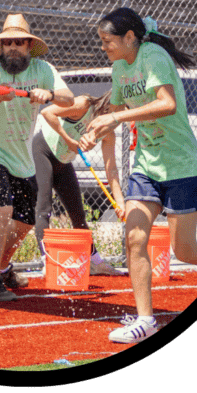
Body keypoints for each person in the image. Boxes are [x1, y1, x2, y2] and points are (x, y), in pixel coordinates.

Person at [80, 8, 197, 344]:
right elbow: (116, 113)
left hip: (181, 166)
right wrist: (95, 131)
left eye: (108, 40)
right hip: (146, 166)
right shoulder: (119, 67)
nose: (103, 47)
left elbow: (167, 103)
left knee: (185, 250)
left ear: (130, 37)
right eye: (101, 41)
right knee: (134, 238)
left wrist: (116, 119)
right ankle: (145, 321)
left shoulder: (153, 56)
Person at [0, 14, 74, 300]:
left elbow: (68, 98)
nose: (13, 47)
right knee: (2, 210)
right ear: (1, 47)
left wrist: (48, 94)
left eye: (19, 42)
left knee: (26, 220)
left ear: (29, 46)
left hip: (21, 157)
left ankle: (3, 268)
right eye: (8, 43)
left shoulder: (43, 69)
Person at [33, 93, 124, 275]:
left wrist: (120, 202)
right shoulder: (84, 104)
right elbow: (47, 112)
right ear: (113, 104)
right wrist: (68, 140)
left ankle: (96, 262)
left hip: (63, 161)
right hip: (44, 151)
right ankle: (47, 261)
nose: (124, 118)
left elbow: (111, 170)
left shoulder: (108, 133)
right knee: (44, 207)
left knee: (78, 213)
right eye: (123, 111)